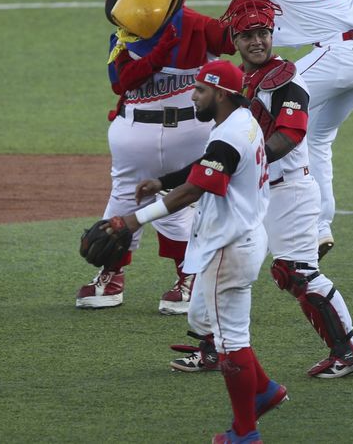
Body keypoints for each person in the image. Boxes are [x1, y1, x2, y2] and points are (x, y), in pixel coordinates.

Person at [165, 0, 353, 379]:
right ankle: (212, 347)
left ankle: (349, 349)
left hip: (288, 191)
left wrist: (241, 164)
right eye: (247, 36)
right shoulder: (237, 81)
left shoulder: (287, 80)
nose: (257, 41)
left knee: (297, 273)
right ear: (236, 40)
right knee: (219, 263)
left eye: (263, 33)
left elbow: (289, 136)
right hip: (253, 191)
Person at [181, 0, 353, 258]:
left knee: (258, 102)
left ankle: (219, 181)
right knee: (317, 137)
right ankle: (318, 228)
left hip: (340, 55)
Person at [113, 59, 280, 444]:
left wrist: (134, 221)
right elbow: (204, 167)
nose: (194, 96)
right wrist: (163, 180)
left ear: (220, 94)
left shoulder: (229, 135)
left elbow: (193, 191)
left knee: (230, 343)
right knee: (228, 333)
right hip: (243, 235)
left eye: (201, 89)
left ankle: (245, 432)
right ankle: (266, 390)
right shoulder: (243, 121)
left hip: (230, 246)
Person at [76, 0, 235, 313]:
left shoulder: (196, 24)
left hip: (188, 129)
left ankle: (188, 277)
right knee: (122, 203)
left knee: (176, 207)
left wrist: (251, 8)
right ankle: (112, 278)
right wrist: (161, 51)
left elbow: (233, 40)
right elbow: (120, 82)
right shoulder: (124, 35)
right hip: (136, 133)